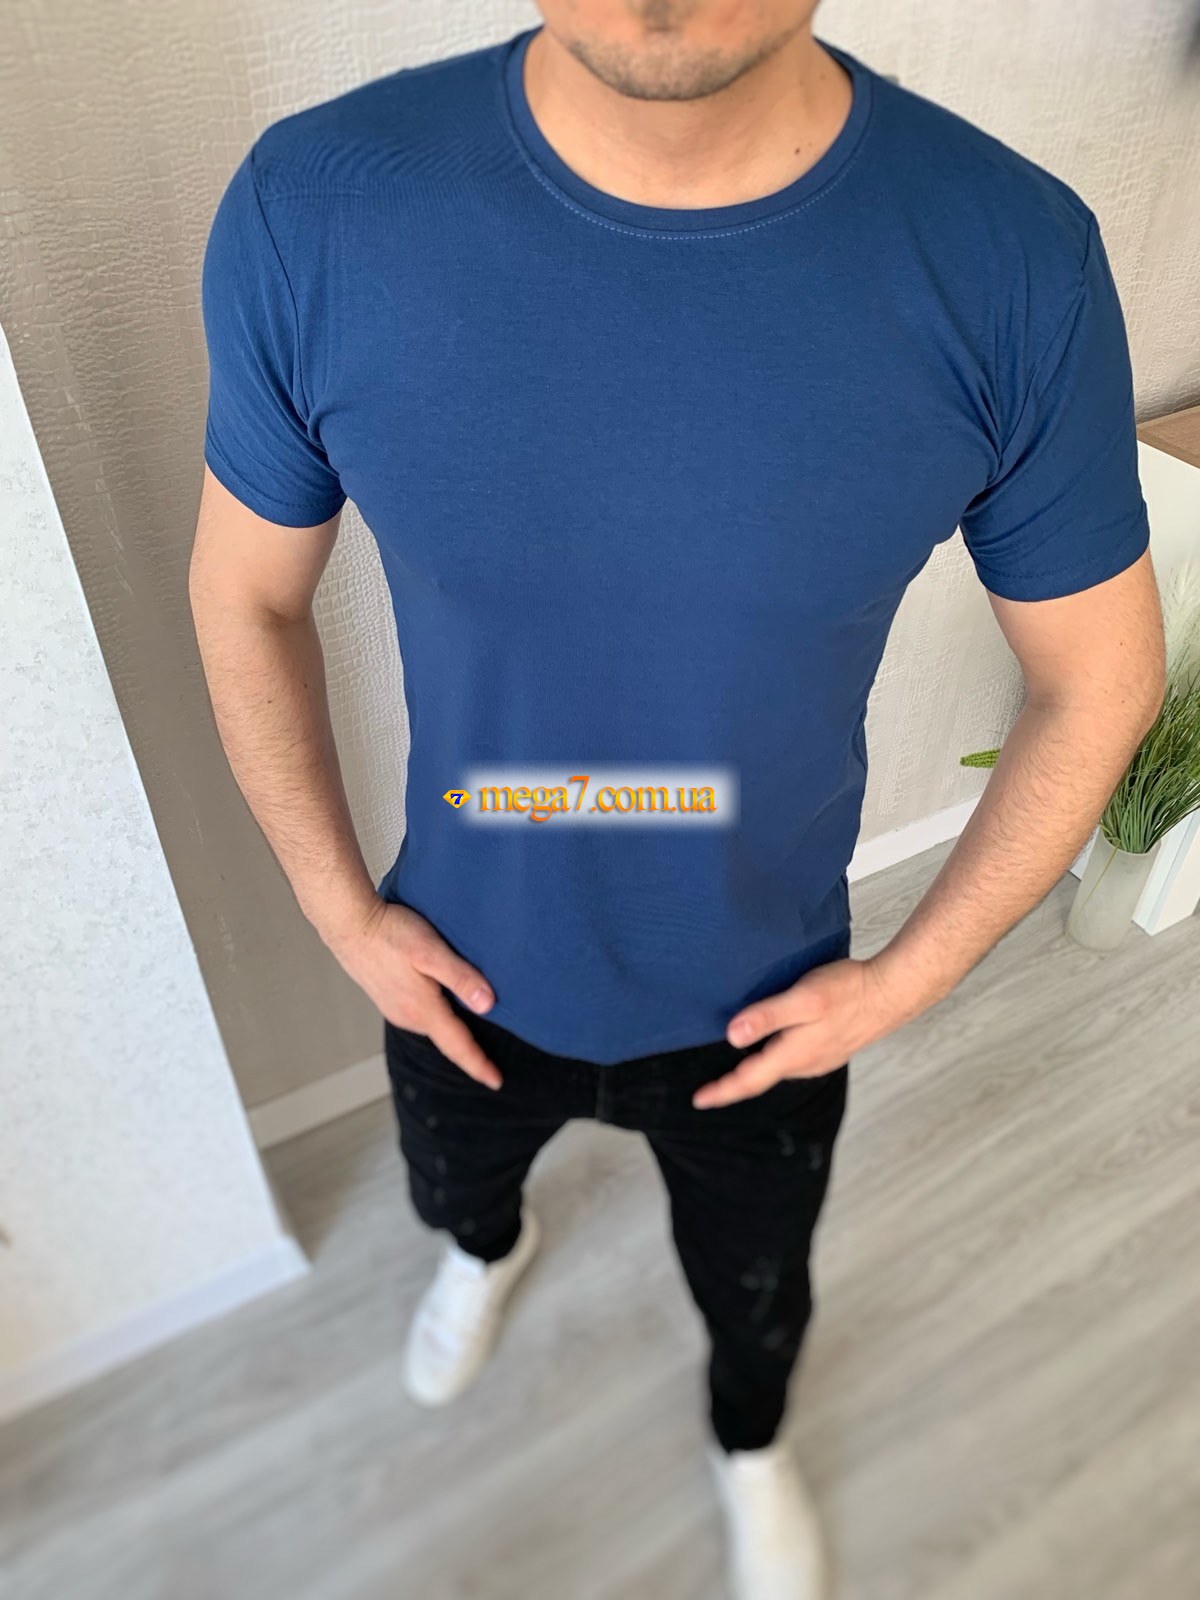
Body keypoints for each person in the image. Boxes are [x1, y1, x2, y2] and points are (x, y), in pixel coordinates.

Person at [191, 5, 1165, 1595]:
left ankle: (749, 1441)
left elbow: (1101, 679)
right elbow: (246, 594)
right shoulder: (322, 207)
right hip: (457, 963)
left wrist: (912, 976)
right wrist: (335, 908)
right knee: (458, 1197)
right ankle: (486, 1256)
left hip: (764, 999)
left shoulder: (1010, 261)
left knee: (757, 1289)